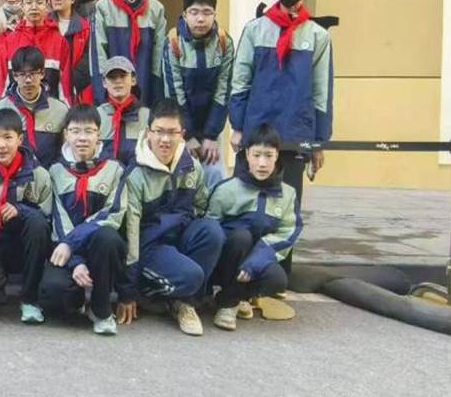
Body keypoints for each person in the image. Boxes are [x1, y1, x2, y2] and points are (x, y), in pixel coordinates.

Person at [228, 0, 332, 257]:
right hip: (256, 131)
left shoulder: (318, 36)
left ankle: (277, 270)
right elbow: (240, 80)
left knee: (285, 210)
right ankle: (240, 266)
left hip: (295, 133)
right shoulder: (255, 30)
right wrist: (237, 126)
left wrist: (319, 141)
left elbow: (322, 91)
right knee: (245, 205)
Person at [116, 100, 225, 337]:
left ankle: (185, 304)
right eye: (159, 131)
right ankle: (148, 295)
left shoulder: (192, 167)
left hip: (178, 240)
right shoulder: (136, 175)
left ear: (182, 134)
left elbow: (201, 206)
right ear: (148, 132)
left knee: (212, 231)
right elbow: (131, 233)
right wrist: (127, 291)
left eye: (172, 132)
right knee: (192, 276)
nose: (165, 139)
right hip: (150, 247)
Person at [200, 124, 302, 331]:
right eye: (256, 155)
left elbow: (287, 233)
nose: (262, 163)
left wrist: (255, 262)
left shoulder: (288, 194)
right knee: (241, 237)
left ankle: (234, 297)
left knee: (277, 280)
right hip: (225, 262)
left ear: (277, 156)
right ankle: (228, 304)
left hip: (256, 261)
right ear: (247, 155)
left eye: (268, 156)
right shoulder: (226, 189)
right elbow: (208, 228)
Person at [41, 104, 128, 335]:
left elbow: (112, 213)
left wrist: (71, 244)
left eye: (89, 131)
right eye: (75, 131)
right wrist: (76, 260)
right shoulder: (55, 171)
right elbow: (58, 219)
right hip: (67, 251)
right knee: (52, 292)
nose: (82, 138)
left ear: (99, 134)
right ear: (66, 135)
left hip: (101, 250)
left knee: (108, 236)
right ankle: (78, 300)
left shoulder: (115, 169)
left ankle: (101, 310)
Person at [0, 109, 54, 324]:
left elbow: (47, 219)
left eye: (8, 137)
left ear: (20, 139)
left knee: (37, 222)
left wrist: (21, 210)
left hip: (30, 249)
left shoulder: (39, 175)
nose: (1, 145)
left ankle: (30, 299)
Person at [162, 0, 234, 188]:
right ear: (185, 14)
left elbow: (223, 90)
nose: (200, 19)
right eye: (194, 12)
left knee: (216, 175)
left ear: (215, 14)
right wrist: (188, 135)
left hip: (212, 125)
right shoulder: (173, 42)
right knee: (183, 177)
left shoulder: (224, 42)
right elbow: (174, 92)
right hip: (183, 126)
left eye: (206, 12)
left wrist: (211, 135)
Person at [91, 0, 167, 106]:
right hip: (112, 90)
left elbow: (158, 56)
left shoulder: (156, 9)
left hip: (145, 87)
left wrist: (157, 96)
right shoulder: (103, 7)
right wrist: (102, 97)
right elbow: (98, 54)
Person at [0, 47, 69, 168]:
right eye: (22, 74)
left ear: (42, 73)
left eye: (33, 74)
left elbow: (66, 151)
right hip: (13, 175)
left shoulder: (60, 110)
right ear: (14, 76)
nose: (28, 80)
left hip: (51, 174)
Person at [7, 0, 71, 101]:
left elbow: (65, 83)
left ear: (47, 5)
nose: (34, 7)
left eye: (39, 2)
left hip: (51, 107)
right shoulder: (10, 40)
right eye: (29, 2)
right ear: (22, 6)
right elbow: (4, 82)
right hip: (16, 107)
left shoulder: (59, 40)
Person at [98, 56, 150, 168]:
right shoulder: (97, 116)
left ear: (133, 80)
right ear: (104, 83)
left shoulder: (147, 116)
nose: (118, 81)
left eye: (123, 76)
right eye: (112, 77)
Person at [49, 0, 93, 105]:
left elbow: (88, 58)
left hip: (75, 89)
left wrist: (70, 79)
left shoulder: (84, 27)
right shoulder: (44, 23)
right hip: (47, 85)